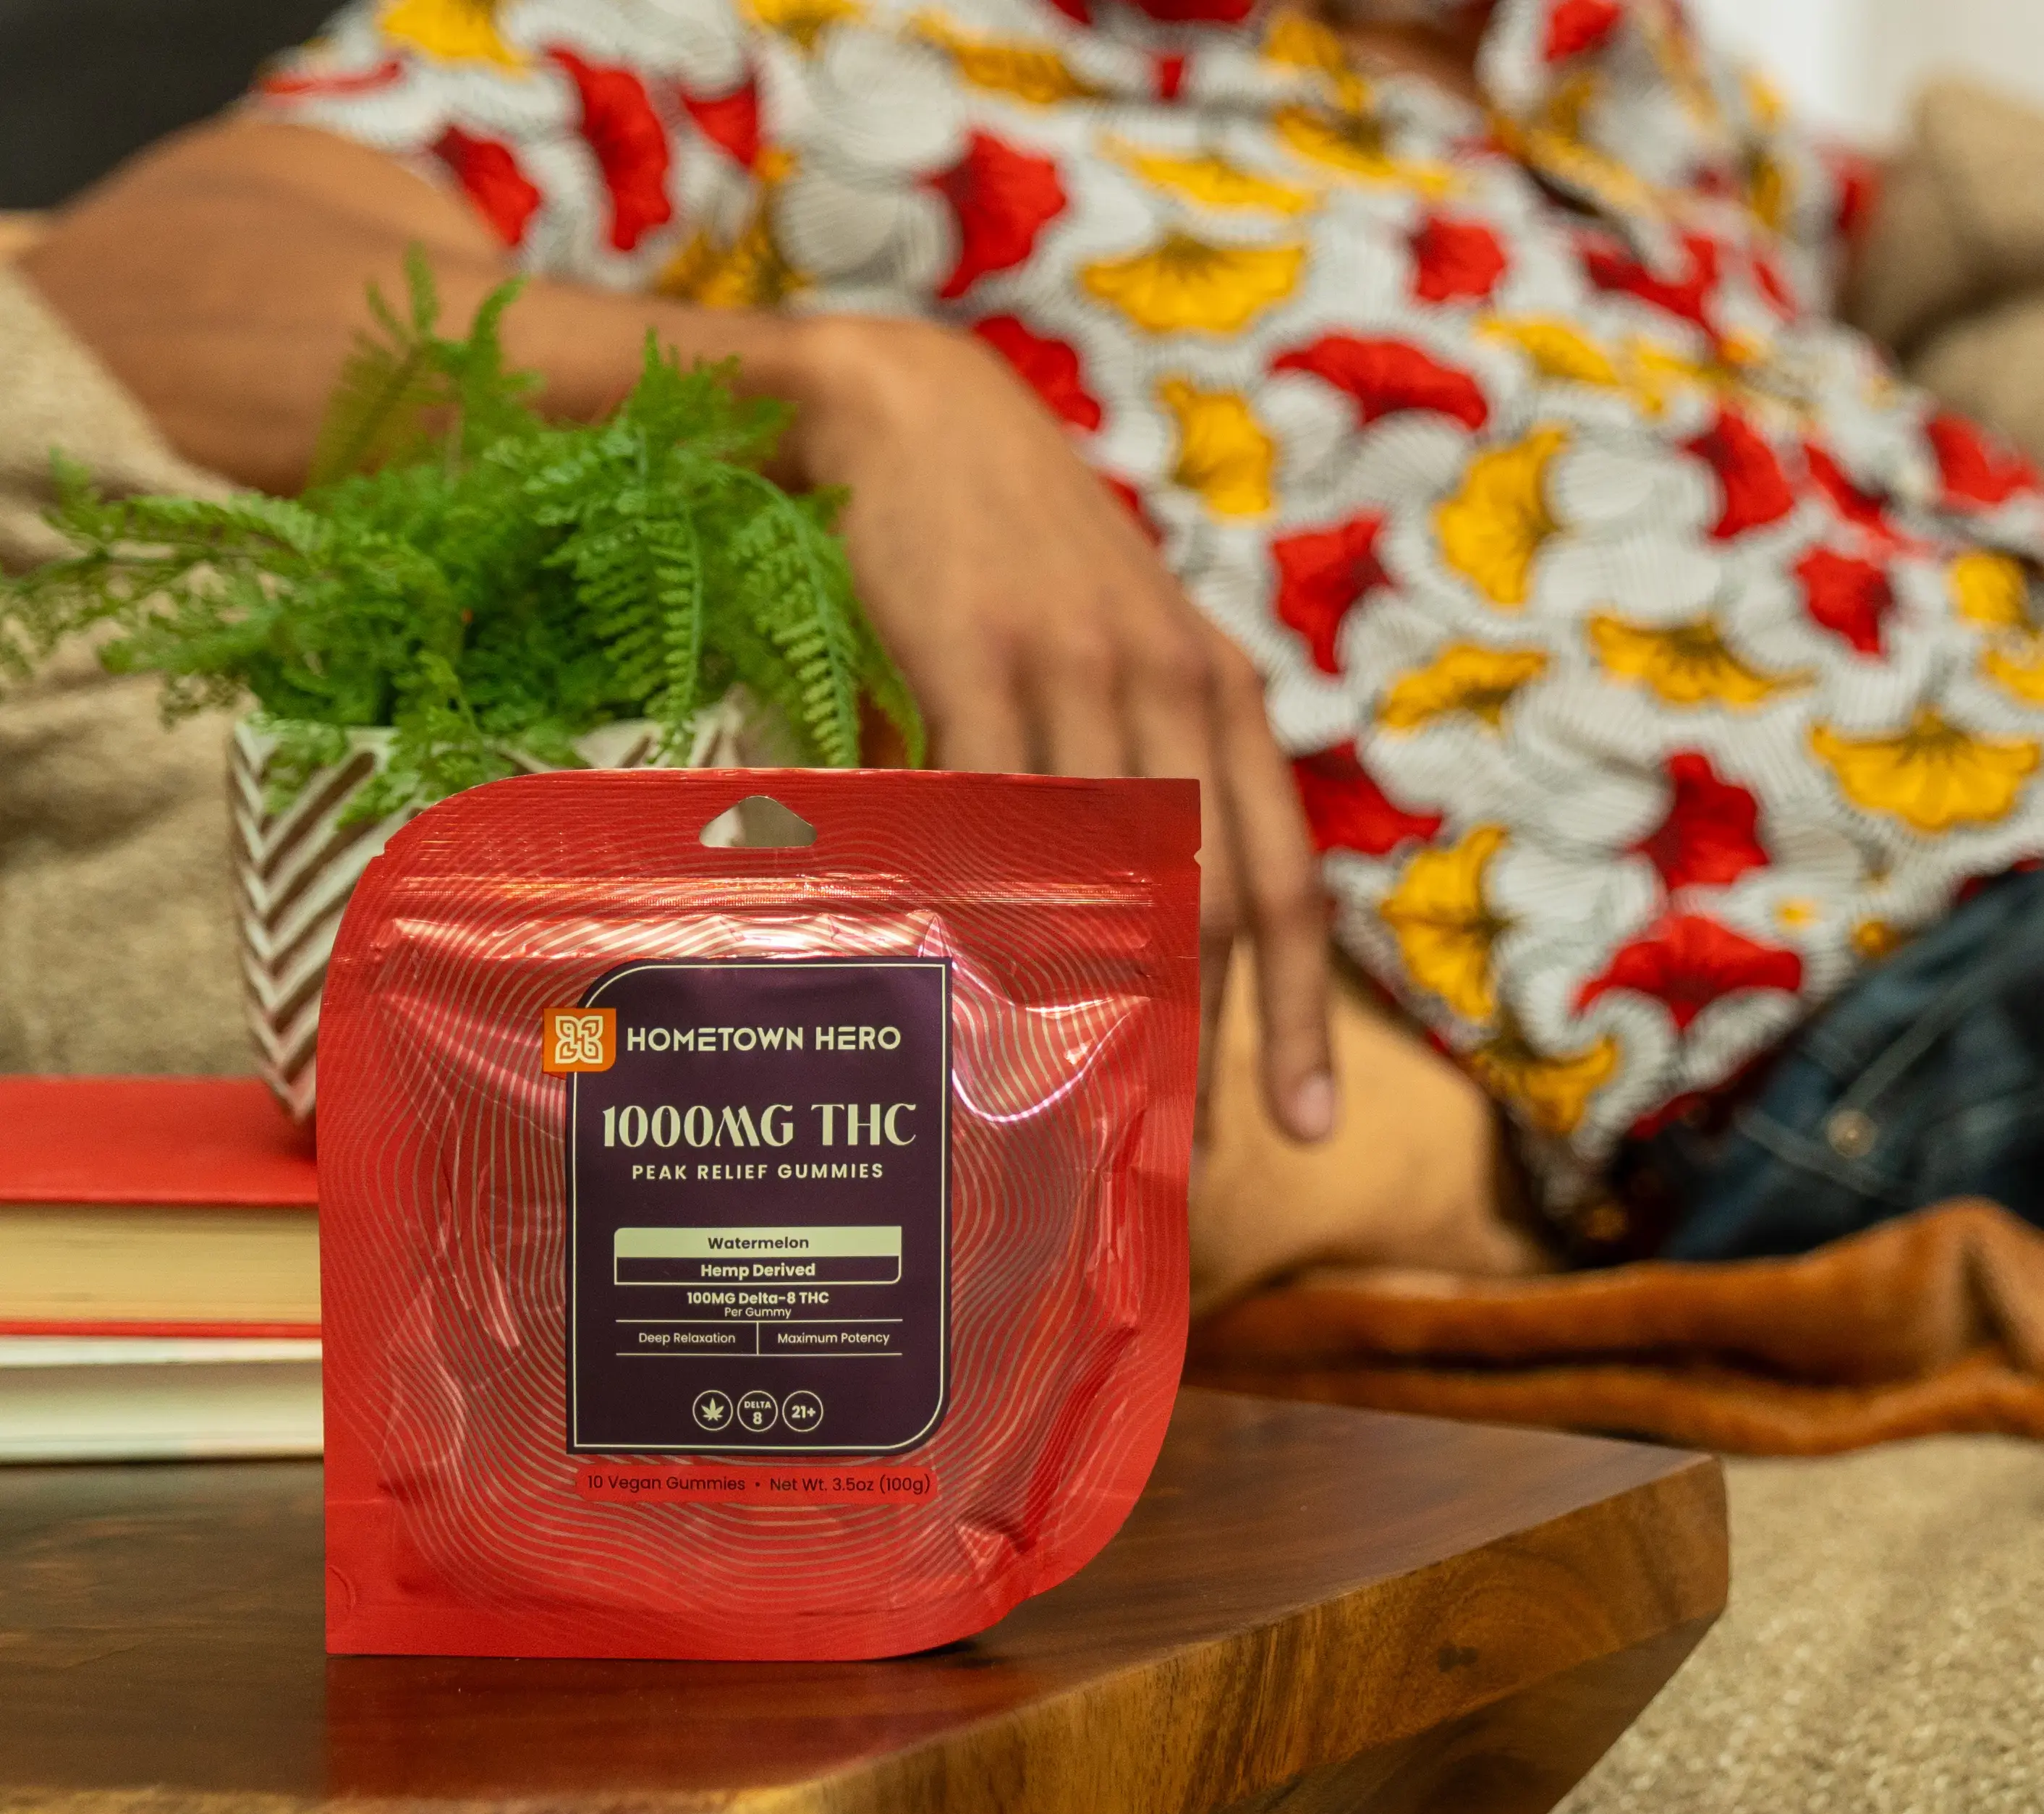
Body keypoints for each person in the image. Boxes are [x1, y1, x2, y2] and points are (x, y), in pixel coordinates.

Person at [23, 0, 2044, 1255]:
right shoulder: (791, 39)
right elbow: (145, 290)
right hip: (1902, 1000)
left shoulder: (1625, 69)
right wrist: (843, 390)